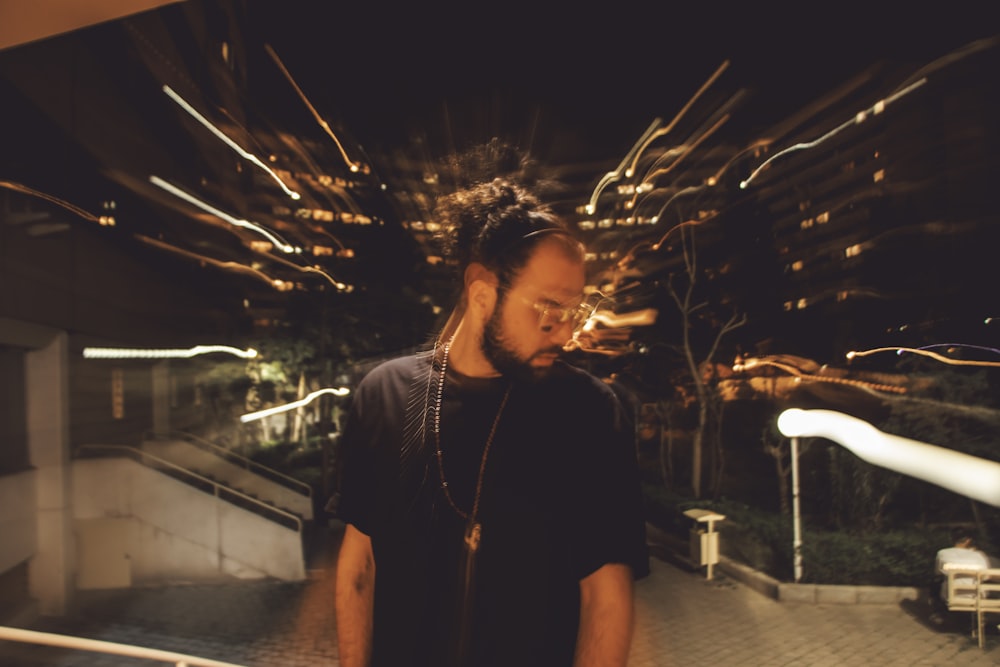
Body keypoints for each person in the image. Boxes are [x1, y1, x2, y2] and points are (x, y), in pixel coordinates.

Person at [334, 176, 649, 667]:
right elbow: (360, 565)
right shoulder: (383, 396)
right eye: (548, 309)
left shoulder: (587, 411)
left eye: (575, 311)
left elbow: (605, 594)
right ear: (482, 294)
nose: (566, 333)